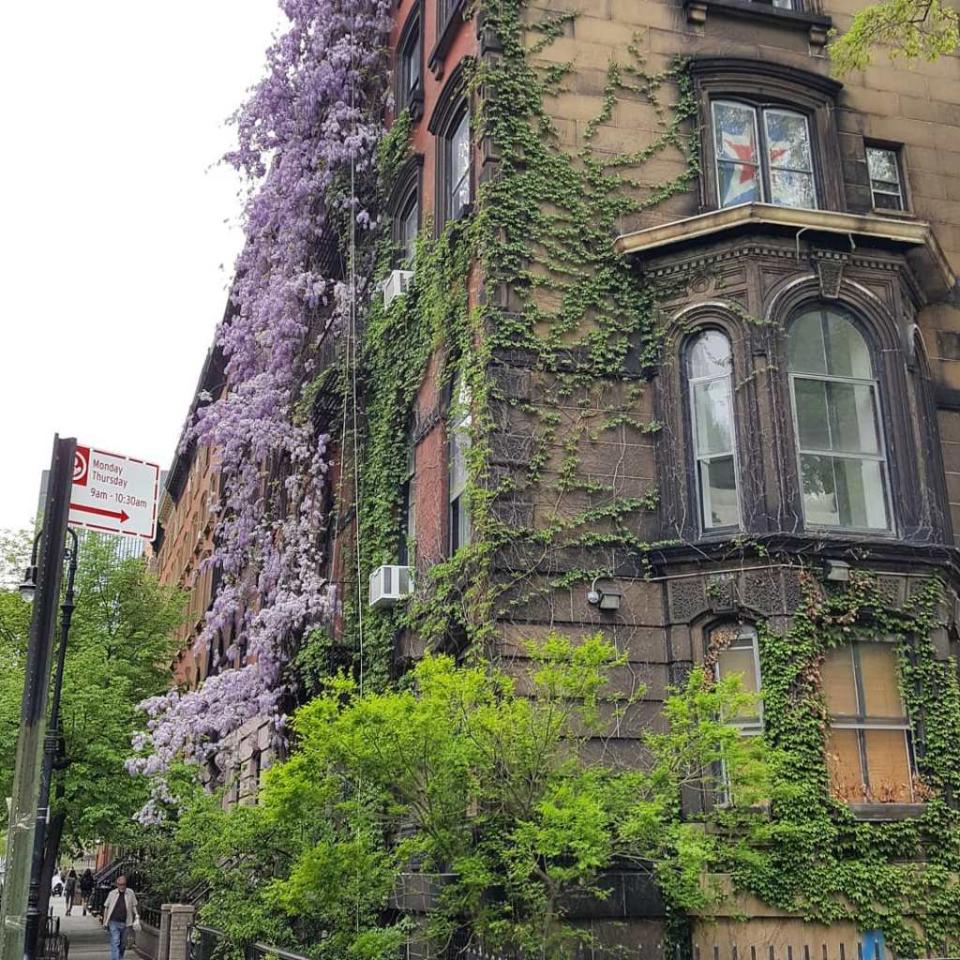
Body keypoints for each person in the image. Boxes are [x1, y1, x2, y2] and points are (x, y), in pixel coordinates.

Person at [102, 875, 139, 960]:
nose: (122, 886)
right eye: (120, 884)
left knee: (122, 944)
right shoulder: (112, 893)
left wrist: (136, 915)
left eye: (124, 884)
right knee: (115, 941)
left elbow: (134, 905)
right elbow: (106, 907)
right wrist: (105, 921)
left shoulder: (130, 893)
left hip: (126, 922)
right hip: (113, 921)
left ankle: (119, 957)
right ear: (117, 884)